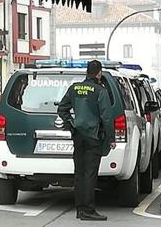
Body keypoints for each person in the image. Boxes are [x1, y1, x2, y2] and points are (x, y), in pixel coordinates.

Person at [57, 60, 115, 221]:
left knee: (79, 174)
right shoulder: (100, 91)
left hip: (78, 135)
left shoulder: (74, 88)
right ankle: (89, 210)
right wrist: (111, 138)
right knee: (90, 174)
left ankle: (80, 210)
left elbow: (62, 108)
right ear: (99, 73)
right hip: (92, 136)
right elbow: (107, 117)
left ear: (87, 72)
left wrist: (70, 125)